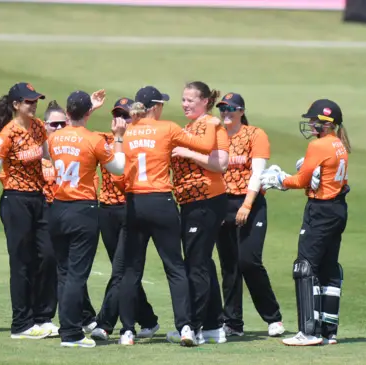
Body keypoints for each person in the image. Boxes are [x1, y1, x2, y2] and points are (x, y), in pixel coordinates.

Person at [117, 85, 217, 346]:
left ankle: (127, 331)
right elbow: (206, 146)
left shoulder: (128, 132)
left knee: (131, 270)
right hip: (161, 202)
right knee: (175, 267)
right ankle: (185, 328)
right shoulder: (169, 128)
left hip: (134, 202)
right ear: (155, 107)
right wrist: (213, 123)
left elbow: (118, 169)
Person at [260, 99, 350, 346]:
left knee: (305, 267)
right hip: (338, 209)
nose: (310, 124)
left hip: (320, 211)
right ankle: (327, 331)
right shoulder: (338, 145)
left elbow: (301, 181)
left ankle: (307, 332)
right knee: (329, 269)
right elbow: (327, 178)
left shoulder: (320, 146)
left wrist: (278, 179)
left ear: (326, 123)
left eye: (314, 120)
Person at [47, 90, 126, 348]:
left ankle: (66, 328)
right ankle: (71, 333)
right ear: (87, 114)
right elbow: (118, 168)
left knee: (63, 273)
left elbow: (47, 154)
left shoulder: (55, 137)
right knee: (77, 276)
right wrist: (118, 139)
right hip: (82, 209)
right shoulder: (93, 140)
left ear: (67, 113)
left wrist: (86, 110)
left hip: (57, 208)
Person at [0, 82, 54, 340]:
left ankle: (42, 317)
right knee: (22, 262)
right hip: (15, 201)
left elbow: (47, 157)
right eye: (28, 102)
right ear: (16, 105)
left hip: (39, 198)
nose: (34, 105)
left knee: (48, 255)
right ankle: (21, 324)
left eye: (35, 101)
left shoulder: (39, 127)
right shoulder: (7, 135)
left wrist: (50, 170)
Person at [213, 93, 285, 338]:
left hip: (250, 202)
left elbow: (257, 173)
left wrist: (246, 204)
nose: (226, 113)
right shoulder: (217, 136)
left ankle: (273, 317)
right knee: (229, 266)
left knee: (249, 261)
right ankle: (233, 322)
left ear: (241, 111)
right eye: (222, 109)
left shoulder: (255, 134)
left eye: (231, 108)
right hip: (222, 203)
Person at [91, 97, 160, 341]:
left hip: (130, 209)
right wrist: (89, 107)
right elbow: (74, 130)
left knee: (120, 271)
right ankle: (148, 319)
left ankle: (105, 323)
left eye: (126, 115)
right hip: (106, 211)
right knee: (123, 271)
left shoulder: (142, 141)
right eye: (117, 115)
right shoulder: (104, 139)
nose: (121, 120)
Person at [167, 81, 229, 344]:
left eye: (190, 100)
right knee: (202, 262)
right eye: (183, 99)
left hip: (206, 200)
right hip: (191, 202)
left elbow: (221, 163)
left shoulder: (212, 125)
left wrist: (189, 153)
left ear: (205, 101)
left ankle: (195, 327)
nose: (185, 104)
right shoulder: (191, 128)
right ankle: (215, 325)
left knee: (196, 264)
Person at [39, 101, 98, 336]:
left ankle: (78, 319)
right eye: (55, 124)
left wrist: (85, 113)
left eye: (63, 123)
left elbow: (80, 137)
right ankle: (61, 325)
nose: (60, 127)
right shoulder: (46, 147)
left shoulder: (59, 143)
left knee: (68, 271)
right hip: (55, 211)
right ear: (45, 126)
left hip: (62, 210)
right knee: (66, 271)